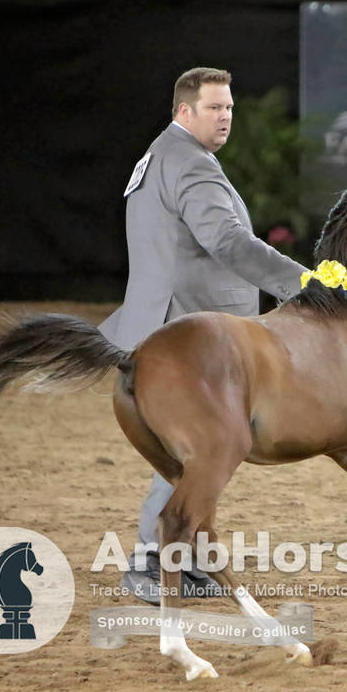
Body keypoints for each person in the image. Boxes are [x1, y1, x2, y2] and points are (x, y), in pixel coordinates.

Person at [98, 67, 306, 604]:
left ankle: (180, 560)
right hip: (187, 330)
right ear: (183, 111)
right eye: (215, 108)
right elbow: (226, 241)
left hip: (156, 322)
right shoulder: (189, 162)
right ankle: (152, 563)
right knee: (197, 450)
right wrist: (302, 284)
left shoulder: (162, 154)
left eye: (229, 107)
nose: (226, 117)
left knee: (189, 453)